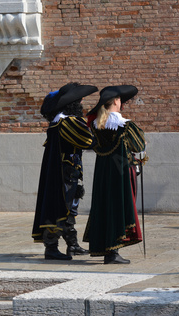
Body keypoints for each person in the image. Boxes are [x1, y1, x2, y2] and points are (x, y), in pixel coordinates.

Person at [32, 82, 98, 260]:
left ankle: (73, 245)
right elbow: (88, 141)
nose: (82, 104)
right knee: (61, 207)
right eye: (80, 101)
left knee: (69, 208)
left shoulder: (58, 121)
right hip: (64, 174)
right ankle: (51, 248)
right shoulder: (68, 122)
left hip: (65, 171)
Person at [83, 85, 146, 264]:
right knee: (118, 206)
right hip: (120, 172)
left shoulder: (96, 125)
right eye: (120, 100)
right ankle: (113, 252)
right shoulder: (125, 125)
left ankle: (106, 248)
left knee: (104, 206)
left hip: (103, 172)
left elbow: (93, 145)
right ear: (116, 102)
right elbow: (139, 146)